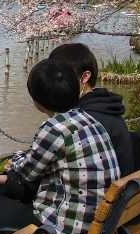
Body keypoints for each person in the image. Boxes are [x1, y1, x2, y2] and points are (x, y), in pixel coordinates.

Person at [0, 59, 119, 234]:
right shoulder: (91, 121)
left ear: (37, 101)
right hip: (98, 232)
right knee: (4, 196)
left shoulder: (54, 128)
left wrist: (16, 158)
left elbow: (26, 173)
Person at [48, 42, 134, 174]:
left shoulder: (86, 119)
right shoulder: (105, 107)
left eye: (62, 77)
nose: (56, 83)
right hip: (121, 189)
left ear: (85, 77)